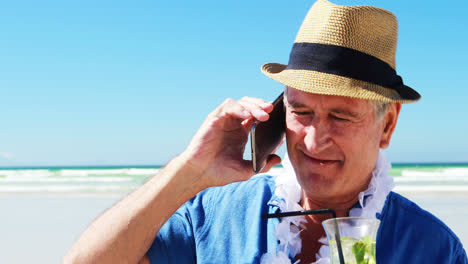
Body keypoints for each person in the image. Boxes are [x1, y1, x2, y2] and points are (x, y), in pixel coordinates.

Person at [64, 0, 467, 263]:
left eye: (341, 117)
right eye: (301, 111)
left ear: (388, 124)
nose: (312, 139)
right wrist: (189, 170)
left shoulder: (431, 248)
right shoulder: (216, 216)